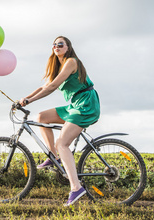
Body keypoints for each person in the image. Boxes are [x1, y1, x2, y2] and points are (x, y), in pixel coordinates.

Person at [19, 36, 100, 206]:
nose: (56, 46)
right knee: (41, 117)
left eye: (60, 44)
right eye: (54, 44)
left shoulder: (71, 61)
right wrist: (25, 98)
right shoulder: (59, 66)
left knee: (62, 143)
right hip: (74, 104)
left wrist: (29, 101)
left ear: (68, 47)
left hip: (85, 104)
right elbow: (45, 86)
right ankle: (54, 158)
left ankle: (76, 187)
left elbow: (53, 87)